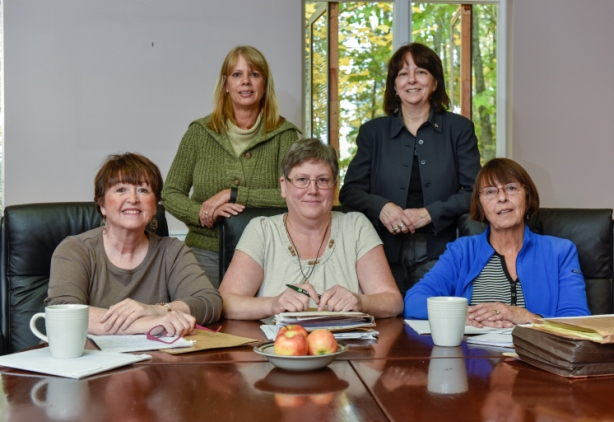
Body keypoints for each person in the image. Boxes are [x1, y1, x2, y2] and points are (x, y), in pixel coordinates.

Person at [339, 43, 481, 297]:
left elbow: (476, 192)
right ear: (394, 86)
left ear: (435, 82)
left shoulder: (459, 129)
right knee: (384, 323)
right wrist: (382, 207)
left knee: (428, 321)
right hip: (380, 249)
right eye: (403, 74)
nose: (412, 80)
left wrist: (430, 213)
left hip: (438, 249)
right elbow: (349, 191)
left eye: (421, 72)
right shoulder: (373, 132)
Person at [219, 138, 403, 320]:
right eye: (302, 179)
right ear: (284, 186)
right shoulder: (261, 230)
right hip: (277, 347)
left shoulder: (356, 226)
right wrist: (273, 304)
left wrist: (361, 302)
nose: (312, 190)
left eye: (322, 180)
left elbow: (393, 302)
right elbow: (225, 302)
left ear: (334, 186)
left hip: (348, 346)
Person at [162, 46, 299, 288]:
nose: (246, 81)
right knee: (202, 322)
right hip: (204, 254)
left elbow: (293, 195)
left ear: (265, 84)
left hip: (266, 256)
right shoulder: (199, 133)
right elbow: (170, 193)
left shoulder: (284, 135)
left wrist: (234, 194)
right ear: (225, 84)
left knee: (258, 323)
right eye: (237, 75)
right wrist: (202, 213)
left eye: (254, 74)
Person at [46, 153, 222, 336]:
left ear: (155, 206)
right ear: (102, 205)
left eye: (143, 190)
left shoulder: (172, 250)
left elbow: (210, 302)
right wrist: (149, 324)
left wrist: (159, 310)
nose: (133, 199)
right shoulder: (75, 249)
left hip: (158, 361)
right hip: (90, 360)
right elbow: (64, 313)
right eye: (121, 189)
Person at [404, 158, 590, 327]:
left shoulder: (560, 252)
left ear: (527, 195)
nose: (502, 198)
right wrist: (460, 314)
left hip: (536, 359)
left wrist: (525, 316)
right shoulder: (462, 251)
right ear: (480, 205)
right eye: (490, 192)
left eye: (511, 188)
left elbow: (577, 320)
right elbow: (414, 301)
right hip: (473, 359)